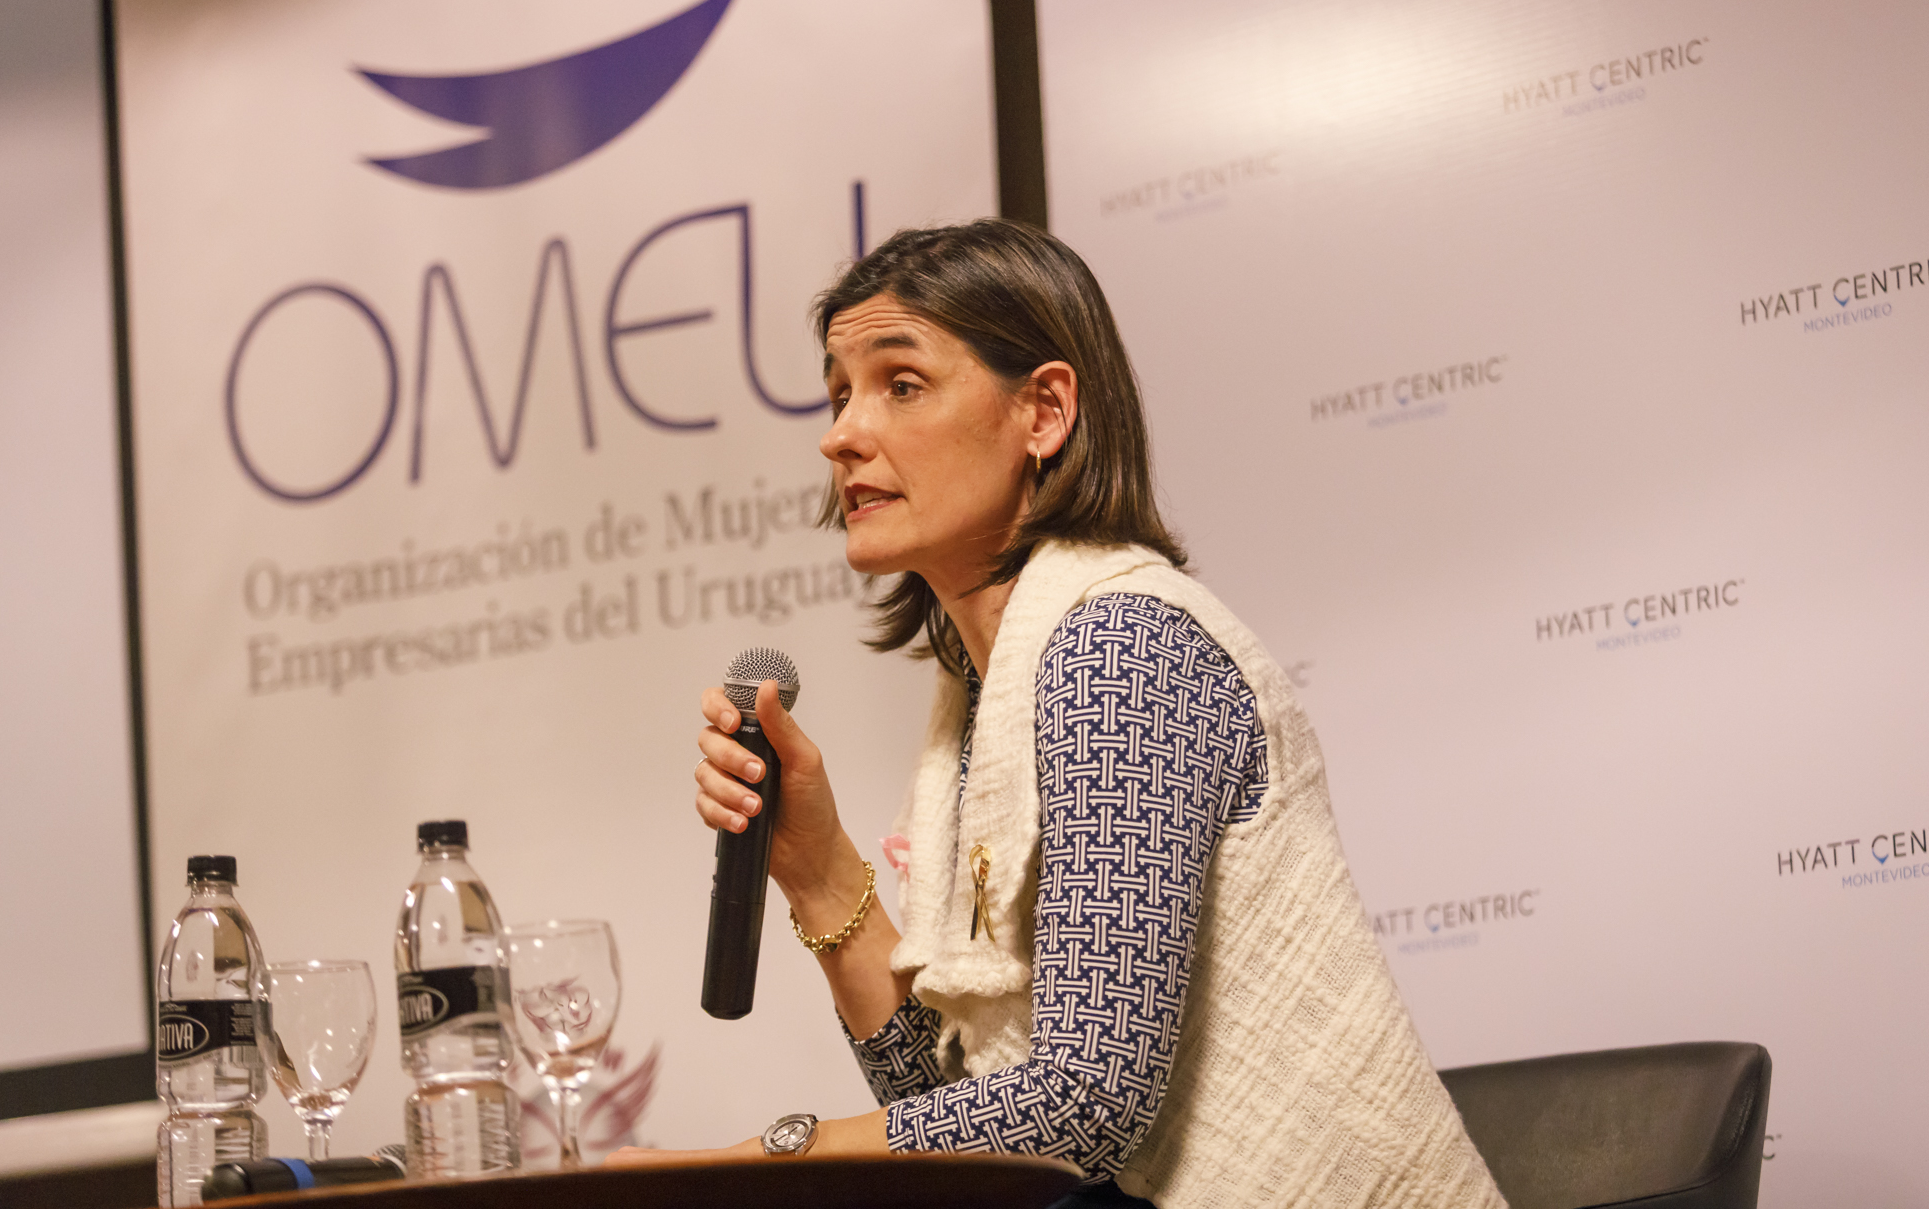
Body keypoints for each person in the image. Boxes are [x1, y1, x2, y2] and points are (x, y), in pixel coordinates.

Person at [610, 220, 1504, 1208]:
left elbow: (1086, 1103)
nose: (840, 435)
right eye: (837, 394)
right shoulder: (982, 696)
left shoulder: (1119, 648)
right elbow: (958, 1127)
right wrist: (818, 874)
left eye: (899, 384)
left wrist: (752, 1163)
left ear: (1042, 412)